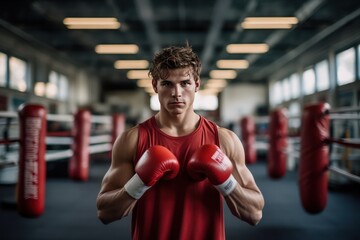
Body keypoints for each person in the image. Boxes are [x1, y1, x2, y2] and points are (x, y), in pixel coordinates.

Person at [96, 44, 264, 240]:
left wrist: (225, 181)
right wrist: (139, 182)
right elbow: (105, 213)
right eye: (167, 84)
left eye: (185, 83)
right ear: (155, 86)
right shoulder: (132, 140)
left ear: (197, 85)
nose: (177, 93)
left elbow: (254, 214)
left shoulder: (224, 140)